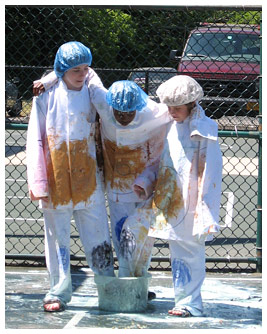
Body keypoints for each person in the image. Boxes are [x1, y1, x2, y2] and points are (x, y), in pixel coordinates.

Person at [27, 41, 115, 313]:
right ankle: (58, 291)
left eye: (86, 67)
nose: (82, 73)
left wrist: (53, 75)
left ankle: (109, 287)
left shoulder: (93, 91)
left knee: (99, 235)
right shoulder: (44, 97)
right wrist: (38, 181)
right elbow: (35, 139)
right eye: (75, 69)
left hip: (89, 179)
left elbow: (104, 99)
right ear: (62, 68)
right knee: (57, 239)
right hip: (56, 179)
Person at [148, 75, 222, 317]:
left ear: (192, 104)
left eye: (177, 108)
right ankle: (182, 300)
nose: (171, 112)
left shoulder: (204, 130)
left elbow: (210, 171)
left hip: (192, 203)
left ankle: (191, 303)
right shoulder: (169, 124)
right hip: (171, 199)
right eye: (169, 107)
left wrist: (204, 208)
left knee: (191, 250)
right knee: (176, 249)